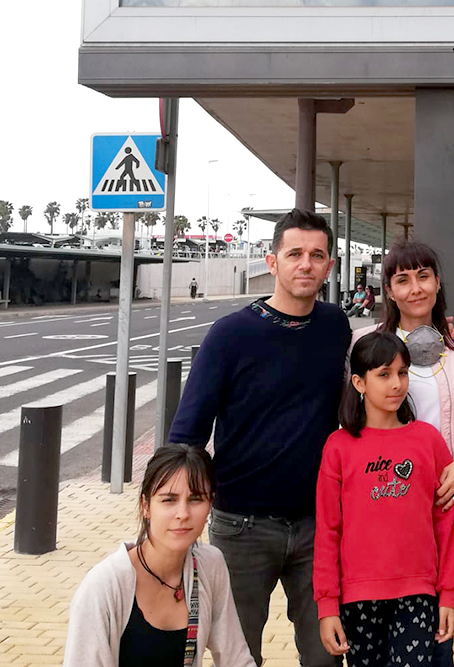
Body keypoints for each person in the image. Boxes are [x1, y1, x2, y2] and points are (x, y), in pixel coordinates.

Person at [169, 209, 351, 667]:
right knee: (237, 655)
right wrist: (173, 517)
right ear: (272, 262)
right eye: (294, 254)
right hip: (241, 528)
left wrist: (451, 336)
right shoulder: (231, 335)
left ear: (329, 266)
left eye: (317, 255)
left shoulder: (335, 326)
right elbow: (187, 435)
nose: (305, 264)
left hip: (318, 525)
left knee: (326, 655)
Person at [351, 239, 454, 667]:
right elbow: (348, 423)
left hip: (445, 504)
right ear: (389, 290)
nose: (415, 288)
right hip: (381, 505)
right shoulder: (364, 343)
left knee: (436, 634)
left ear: (437, 282)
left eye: (423, 276)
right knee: (376, 634)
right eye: (402, 279)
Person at [314, 332, 454, 667]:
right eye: (384, 374)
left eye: (402, 372)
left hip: (417, 595)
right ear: (359, 382)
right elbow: (328, 531)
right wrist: (327, 605)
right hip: (357, 598)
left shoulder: (428, 441)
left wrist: (449, 594)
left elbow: (447, 522)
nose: (396, 384)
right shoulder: (338, 447)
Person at [62, 444, 256, 667]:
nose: (183, 514)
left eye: (196, 499)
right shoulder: (103, 586)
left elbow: (236, 658)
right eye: (168, 500)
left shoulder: (209, 564)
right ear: (146, 506)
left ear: (210, 503)